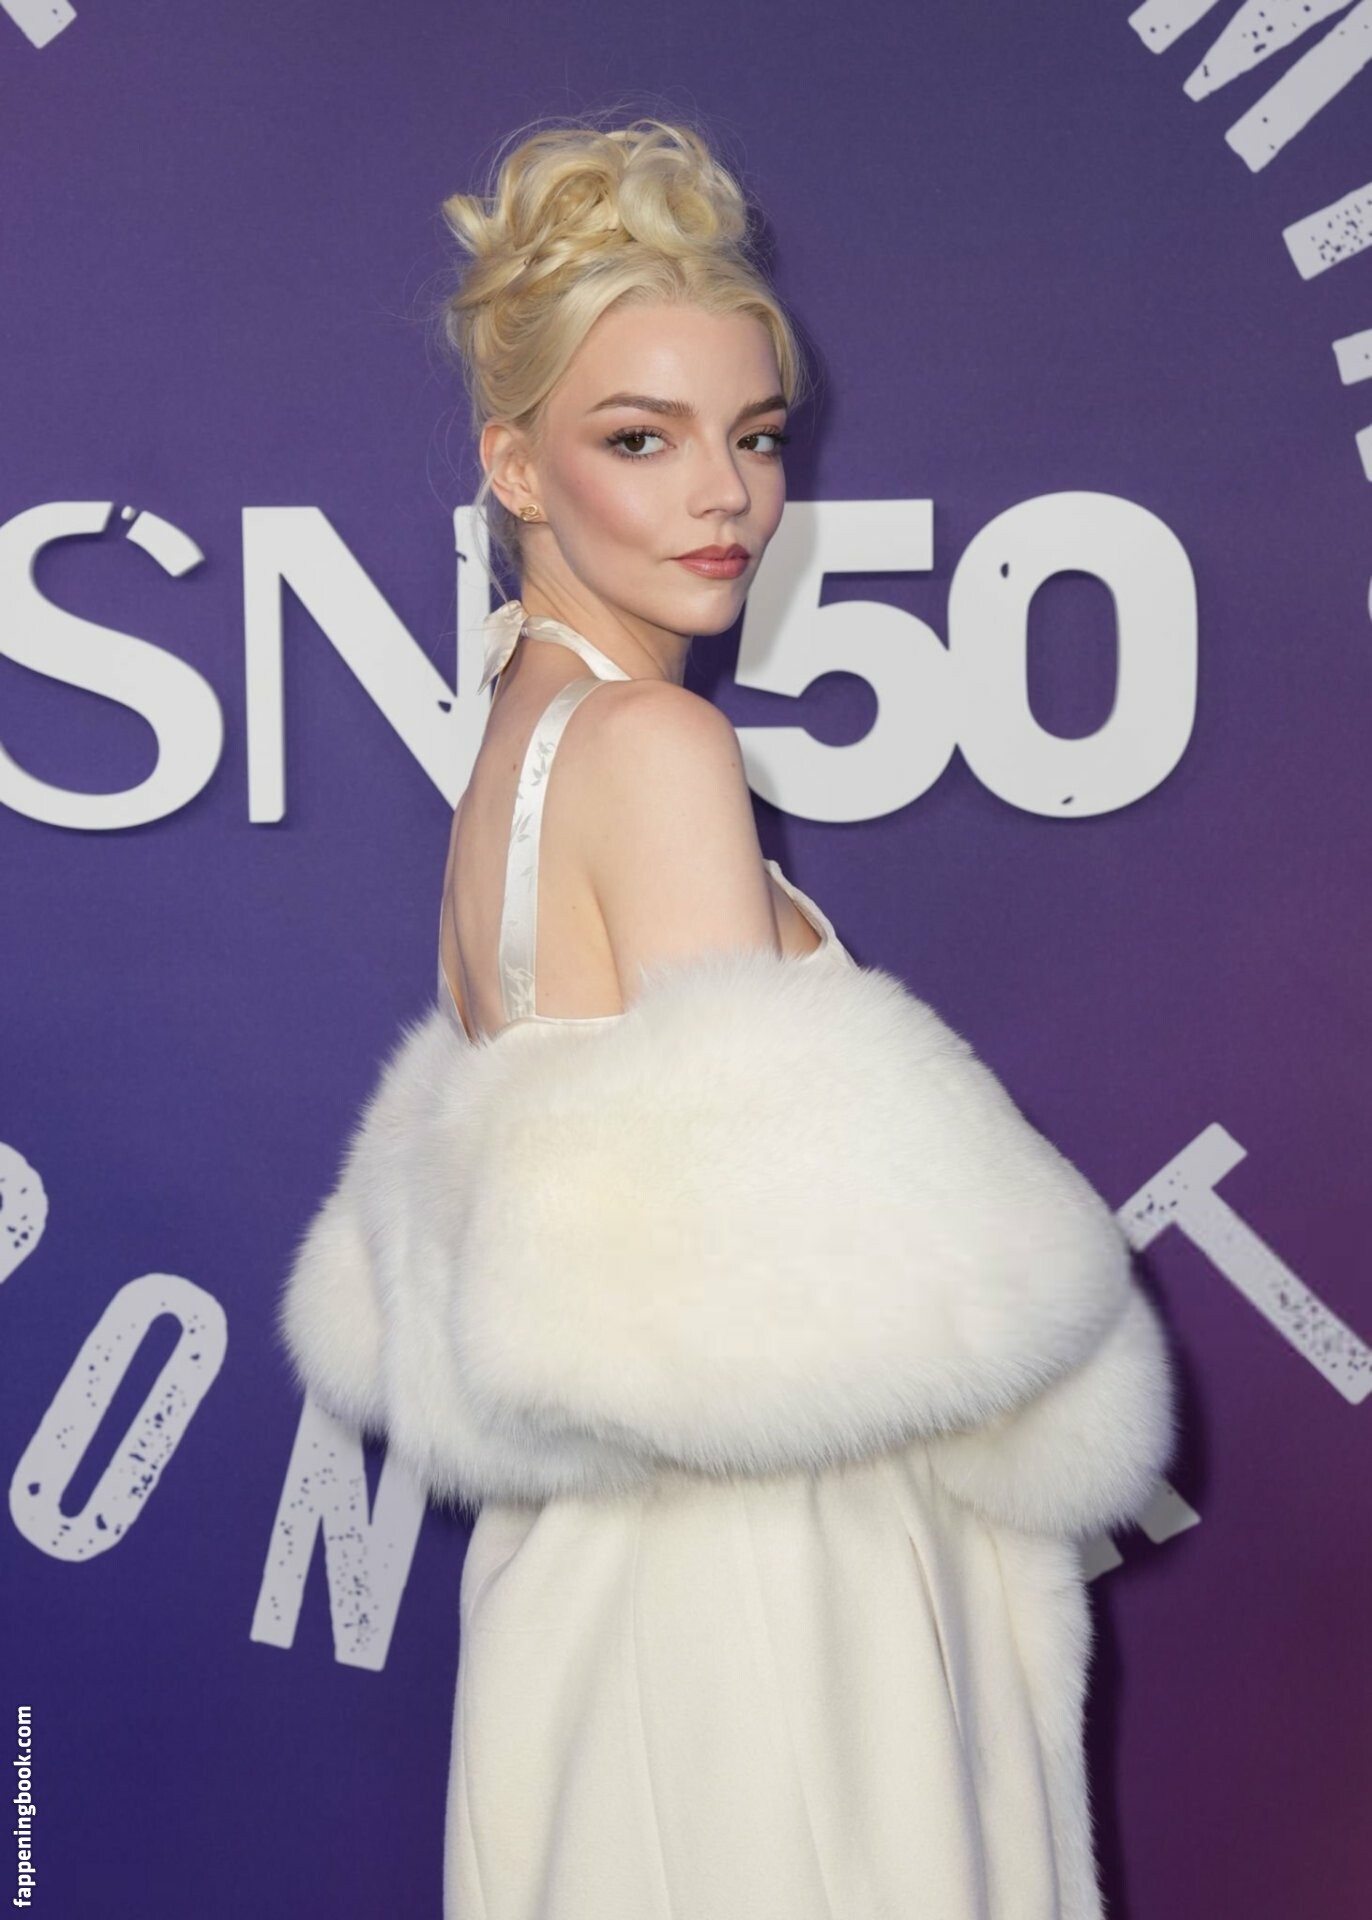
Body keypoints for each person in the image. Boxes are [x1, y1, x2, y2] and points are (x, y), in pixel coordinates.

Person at [279, 115, 1177, 1920]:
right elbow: (774, 1258)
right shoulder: (656, 743)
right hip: (768, 1595)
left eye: (755, 438)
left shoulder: (517, 747)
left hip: (607, 1580)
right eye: (642, 438)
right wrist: (1028, 1283)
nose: (725, 499)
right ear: (516, 467)